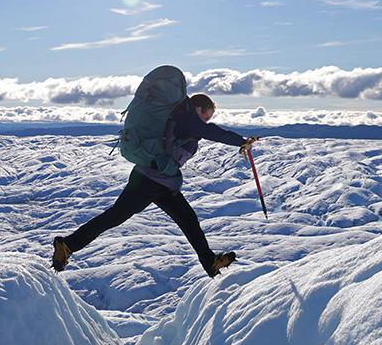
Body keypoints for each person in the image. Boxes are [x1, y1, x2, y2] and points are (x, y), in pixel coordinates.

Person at [52, 93, 257, 277]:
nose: (206, 120)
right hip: (148, 180)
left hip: (162, 182)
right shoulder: (187, 118)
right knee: (115, 216)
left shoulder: (183, 117)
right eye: (206, 115)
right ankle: (67, 245)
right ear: (199, 109)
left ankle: (210, 262)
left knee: (188, 219)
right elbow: (212, 132)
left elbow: (206, 131)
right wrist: (240, 141)